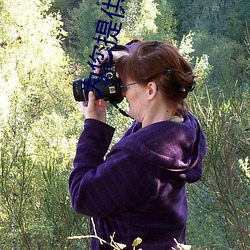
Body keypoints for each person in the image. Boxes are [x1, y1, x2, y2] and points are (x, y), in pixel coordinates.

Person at [69, 40, 207, 250]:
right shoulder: (182, 128)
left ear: (151, 90)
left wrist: (94, 129)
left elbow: (82, 196)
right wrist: (121, 55)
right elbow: (155, 57)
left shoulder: (141, 157)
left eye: (125, 85)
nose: (122, 93)